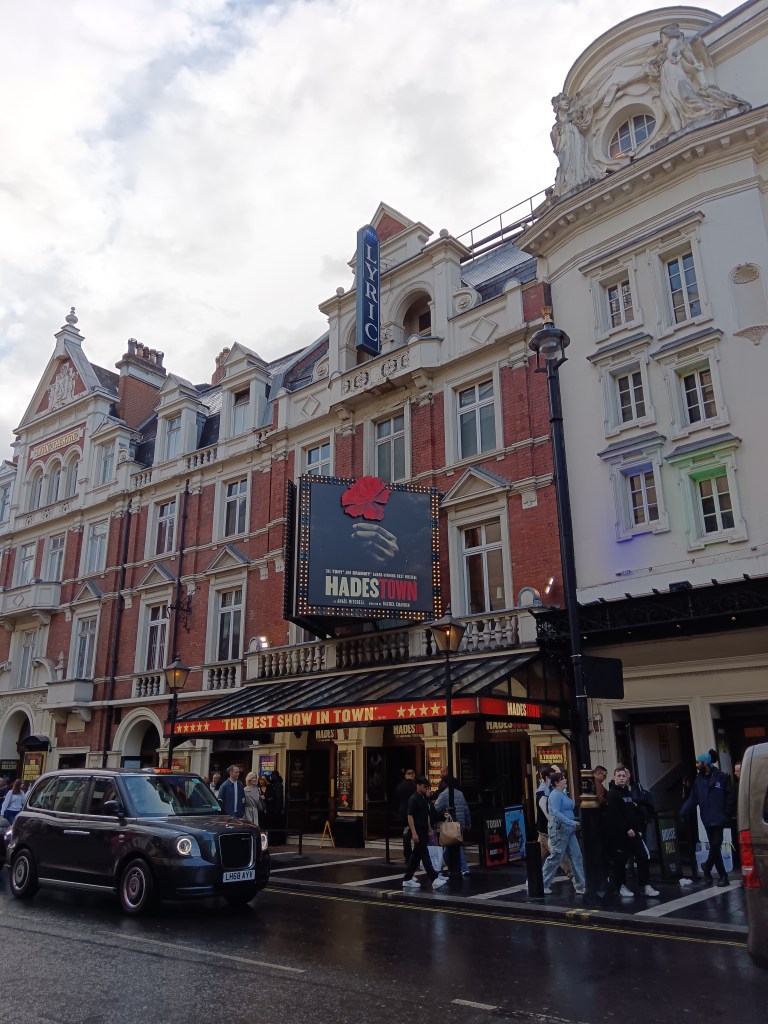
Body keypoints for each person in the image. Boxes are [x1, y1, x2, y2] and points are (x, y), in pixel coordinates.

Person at [681, 751, 734, 886]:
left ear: (705, 763)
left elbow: (730, 796)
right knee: (715, 847)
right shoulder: (698, 781)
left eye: (699, 762)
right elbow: (693, 799)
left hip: (719, 817)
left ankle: (721, 875)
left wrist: (727, 813)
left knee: (715, 845)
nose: (697, 765)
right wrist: (683, 811)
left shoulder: (721, 777)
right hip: (707, 818)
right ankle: (708, 870)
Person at [607, 765, 660, 898]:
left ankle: (645, 885)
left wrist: (638, 829)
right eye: (618, 776)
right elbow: (615, 815)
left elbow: (633, 812)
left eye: (623, 776)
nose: (621, 778)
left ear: (627, 777)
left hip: (634, 833)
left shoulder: (628, 793)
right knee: (620, 861)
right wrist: (627, 828)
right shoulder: (612, 794)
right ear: (614, 777)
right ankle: (620, 886)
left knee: (643, 857)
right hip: (620, 835)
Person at [541, 772, 585, 895]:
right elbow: (555, 812)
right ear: (556, 783)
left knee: (576, 856)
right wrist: (571, 822)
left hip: (569, 829)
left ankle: (580, 885)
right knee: (556, 857)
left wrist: (572, 823)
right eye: (563, 779)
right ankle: (542, 883)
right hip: (559, 829)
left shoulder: (563, 793)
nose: (565, 780)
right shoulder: (554, 795)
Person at [402, 775, 448, 891]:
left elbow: (427, 814)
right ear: (418, 786)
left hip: (423, 829)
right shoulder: (413, 799)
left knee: (416, 856)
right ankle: (434, 879)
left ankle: (407, 878)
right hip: (417, 830)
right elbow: (410, 816)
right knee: (424, 854)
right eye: (425, 787)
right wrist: (413, 833)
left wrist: (429, 829)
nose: (427, 789)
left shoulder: (423, 799)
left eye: (428, 787)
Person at [434, 779, 472, 876]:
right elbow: (466, 808)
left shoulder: (444, 794)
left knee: (452, 845)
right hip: (461, 823)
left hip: (451, 824)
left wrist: (442, 812)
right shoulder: (460, 793)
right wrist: (468, 822)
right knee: (455, 845)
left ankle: (462, 868)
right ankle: (443, 866)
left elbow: (436, 808)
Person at [395, 768, 417, 862]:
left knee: (406, 835)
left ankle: (407, 856)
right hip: (415, 813)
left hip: (403, 813)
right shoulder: (416, 786)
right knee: (417, 833)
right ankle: (416, 854)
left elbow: (396, 800)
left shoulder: (400, 786)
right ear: (414, 775)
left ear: (406, 775)